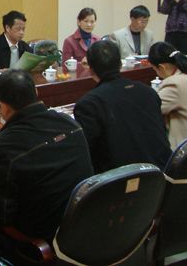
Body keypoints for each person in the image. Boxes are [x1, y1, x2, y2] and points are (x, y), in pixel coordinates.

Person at [0, 70, 93, 262]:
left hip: (41, 240)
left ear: (2, 106)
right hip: (82, 225)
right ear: (36, 92)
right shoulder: (69, 123)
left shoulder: (5, 146)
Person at [73, 41, 171, 173]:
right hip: (161, 173)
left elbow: (86, 154)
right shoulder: (148, 92)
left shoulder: (89, 104)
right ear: (120, 64)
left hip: (120, 180)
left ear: (90, 69)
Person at [0, 10, 33, 78]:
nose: (22, 32)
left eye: (23, 29)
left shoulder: (25, 47)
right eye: (18, 29)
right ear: (7, 28)